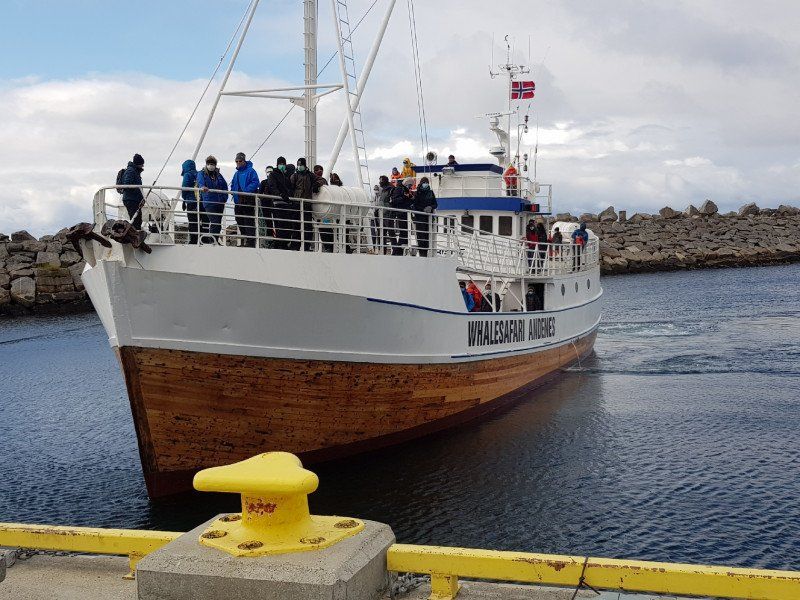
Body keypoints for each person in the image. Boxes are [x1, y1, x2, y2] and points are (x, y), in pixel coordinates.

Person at [230, 152, 260, 247]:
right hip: (238, 201)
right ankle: (246, 239)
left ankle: (251, 242)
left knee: (248, 221)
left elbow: (255, 182)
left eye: (240, 161)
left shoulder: (251, 171)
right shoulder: (236, 174)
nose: (238, 162)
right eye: (237, 161)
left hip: (248, 200)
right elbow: (233, 185)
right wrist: (233, 192)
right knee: (239, 219)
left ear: (244, 161)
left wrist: (246, 191)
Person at [291, 157, 321, 250]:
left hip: (307, 204)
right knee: (296, 226)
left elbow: (321, 180)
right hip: (296, 203)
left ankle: (306, 246)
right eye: (298, 165)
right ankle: (295, 246)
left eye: (301, 165)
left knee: (307, 226)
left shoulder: (310, 175)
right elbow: (290, 188)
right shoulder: (294, 176)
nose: (299, 166)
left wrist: (317, 185)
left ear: (304, 165)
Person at [265, 156, 295, 250]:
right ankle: (279, 244)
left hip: (287, 204)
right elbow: (272, 186)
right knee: (280, 225)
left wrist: (289, 196)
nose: (282, 165)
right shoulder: (273, 174)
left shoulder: (286, 176)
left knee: (287, 225)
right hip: (278, 203)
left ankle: (284, 244)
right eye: (280, 164)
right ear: (277, 164)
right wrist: (280, 194)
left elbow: (289, 188)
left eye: (283, 164)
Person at [197, 155, 228, 243]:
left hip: (220, 202)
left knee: (218, 224)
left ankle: (215, 240)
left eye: (212, 164)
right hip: (209, 202)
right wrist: (202, 187)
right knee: (215, 222)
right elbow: (200, 182)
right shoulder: (201, 173)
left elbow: (225, 186)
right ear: (206, 164)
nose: (211, 165)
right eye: (209, 163)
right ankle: (212, 241)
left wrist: (224, 198)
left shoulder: (219, 175)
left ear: (215, 165)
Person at [411, 176, 437, 257]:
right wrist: (423, 209)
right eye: (424, 183)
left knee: (427, 237)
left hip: (428, 218)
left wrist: (430, 207)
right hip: (420, 218)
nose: (425, 184)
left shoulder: (431, 193)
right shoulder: (417, 193)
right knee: (421, 237)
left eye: (427, 183)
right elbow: (415, 205)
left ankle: (425, 254)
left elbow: (435, 204)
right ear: (421, 183)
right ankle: (422, 254)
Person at [389, 177, 414, 254]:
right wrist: (404, 197)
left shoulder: (405, 190)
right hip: (401, 214)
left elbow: (407, 201)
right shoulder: (399, 189)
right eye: (410, 185)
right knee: (403, 233)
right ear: (406, 184)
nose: (410, 187)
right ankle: (397, 252)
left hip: (405, 214)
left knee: (405, 234)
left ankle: (400, 251)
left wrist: (410, 198)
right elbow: (394, 200)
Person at [121, 153, 145, 229]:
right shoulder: (131, 171)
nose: (143, 166)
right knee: (136, 221)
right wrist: (137, 194)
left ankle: (136, 233)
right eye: (142, 164)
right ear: (138, 163)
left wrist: (141, 198)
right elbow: (127, 184)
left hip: (134, 199)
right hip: (131, 200)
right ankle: (135, 234)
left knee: (137, 220)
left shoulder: (134, 171)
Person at [180, 159, 200, 244]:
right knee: (200, 221)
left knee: (192, 222)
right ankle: (202, 239)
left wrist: (184, 199)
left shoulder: (187, 175)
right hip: (200, 201)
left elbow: (185, 187)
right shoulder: (199, 174)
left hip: (191, 201)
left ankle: (194, 240)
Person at [376, 175, 393, 253]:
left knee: (390, 232)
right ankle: (382, 250)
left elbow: (390, 202)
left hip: (387, 214)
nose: (380, 182)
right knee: (381, 233)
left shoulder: (390, 189)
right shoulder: (383, 190)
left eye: (381, 180)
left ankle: (395, 249)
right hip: (382, 214)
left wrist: (385, 208)